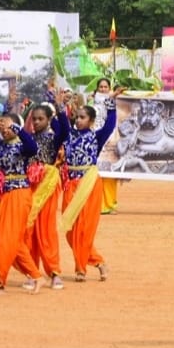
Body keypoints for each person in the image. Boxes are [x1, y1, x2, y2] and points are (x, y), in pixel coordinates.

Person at [57, 87, 122, 282]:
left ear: (91, 121)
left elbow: (110, 125)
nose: (78, 120)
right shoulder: (69, 134)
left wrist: (110, 103)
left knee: (84, 228)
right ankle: (98, 261)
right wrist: (59, 104)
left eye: (82, 117)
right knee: (70, 230)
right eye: (77, 117)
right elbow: (62, 121)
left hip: (89, 182)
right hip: (71, 183)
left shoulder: (96, 136)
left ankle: (81, 269)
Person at [0, 113, 42, 296]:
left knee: (8, 239)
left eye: (9, 127)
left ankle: (0, 282)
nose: (5, 130)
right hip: (2, 195)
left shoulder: (23, 145)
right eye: (2, 127)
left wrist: (17, 128)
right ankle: (36, 275)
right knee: (7, 240)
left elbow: (33, 146)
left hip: (19, 195)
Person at [26, 101, 66, 289]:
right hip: (31, 185)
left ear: (49, 120)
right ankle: (32, 272)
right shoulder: (28, 139)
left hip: (48, 184)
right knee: (30, 230)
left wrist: (60, 109)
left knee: (46, 229)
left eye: (41, 119)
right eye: (34, 119)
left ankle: (54, 272)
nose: (36, 122)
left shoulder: (53, 138)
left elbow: (65, 132)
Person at [92, 78, 121, 215]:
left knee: (110, 174)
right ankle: (98, 204)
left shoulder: (116, 102)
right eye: (101, 87)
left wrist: (115, 96)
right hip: (97, 140)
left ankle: (109, 204)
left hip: (111, 140)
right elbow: (105, 103)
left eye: (105, 87)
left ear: (109, 88)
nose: (103, 89)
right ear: (97, 89)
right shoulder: (96, 102)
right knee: (97, 174)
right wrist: (113, 96)